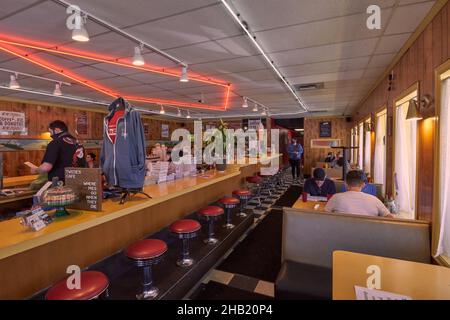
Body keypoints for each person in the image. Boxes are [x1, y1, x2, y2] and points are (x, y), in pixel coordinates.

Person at [325, 170, 393, 217]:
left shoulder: (336, 197)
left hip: (339, 235)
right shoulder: (375, 200)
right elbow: (390, 217)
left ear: (345, 184)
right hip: (368, 236)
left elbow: (325, 214)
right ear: (363, 185)